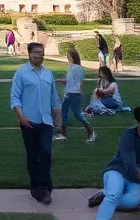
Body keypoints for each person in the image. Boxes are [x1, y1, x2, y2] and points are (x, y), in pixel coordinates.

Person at [88, 106, 140, 218]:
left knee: (132, 202)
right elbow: (130, 166)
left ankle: (104, 196)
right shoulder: (128, 136)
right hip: (118, 172)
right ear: (138, 123)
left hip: (139, 181)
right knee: (114, 194)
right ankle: (107, 202)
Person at [10, 42, 61, 205]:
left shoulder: (48, 73)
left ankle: (45, 188)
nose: (40, 55)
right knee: (33, 155)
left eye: (42, 52)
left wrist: (58, 117)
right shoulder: (21, 73)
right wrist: (21, 117)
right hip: (29, 121)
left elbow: (54, 97)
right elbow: (15, 97)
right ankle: (35, 187)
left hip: (46, 121)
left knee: (46, 153)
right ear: (29, 54)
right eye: (37, 52)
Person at [55, 48, 94, 142]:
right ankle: (63, 134)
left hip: (74, 94)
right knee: (63, 113)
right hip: (69, 93)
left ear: (73, 57)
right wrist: (61, 80)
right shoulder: (73, 67)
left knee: (77, 114)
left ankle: (90, 131)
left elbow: (77, 82)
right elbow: (71, 81)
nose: (68, 58)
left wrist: (65, 82)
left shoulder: (75, 68)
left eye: (69, 56)